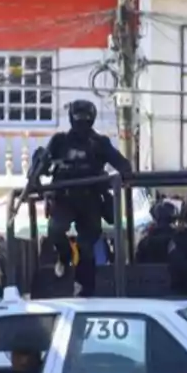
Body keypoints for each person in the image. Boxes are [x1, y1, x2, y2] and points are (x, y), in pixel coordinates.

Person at [32, 99, 132, 297]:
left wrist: (119, 178)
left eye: (85, 121)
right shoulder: (60, 141)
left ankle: (85, 289)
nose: (81, 126)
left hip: (90, 201)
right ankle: (64, 256)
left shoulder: (100, 143)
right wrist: (35, 176)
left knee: (86, 247)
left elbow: (123, 165)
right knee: (55, 230)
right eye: (78, 120)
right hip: (65, 199)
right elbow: (43, 163)